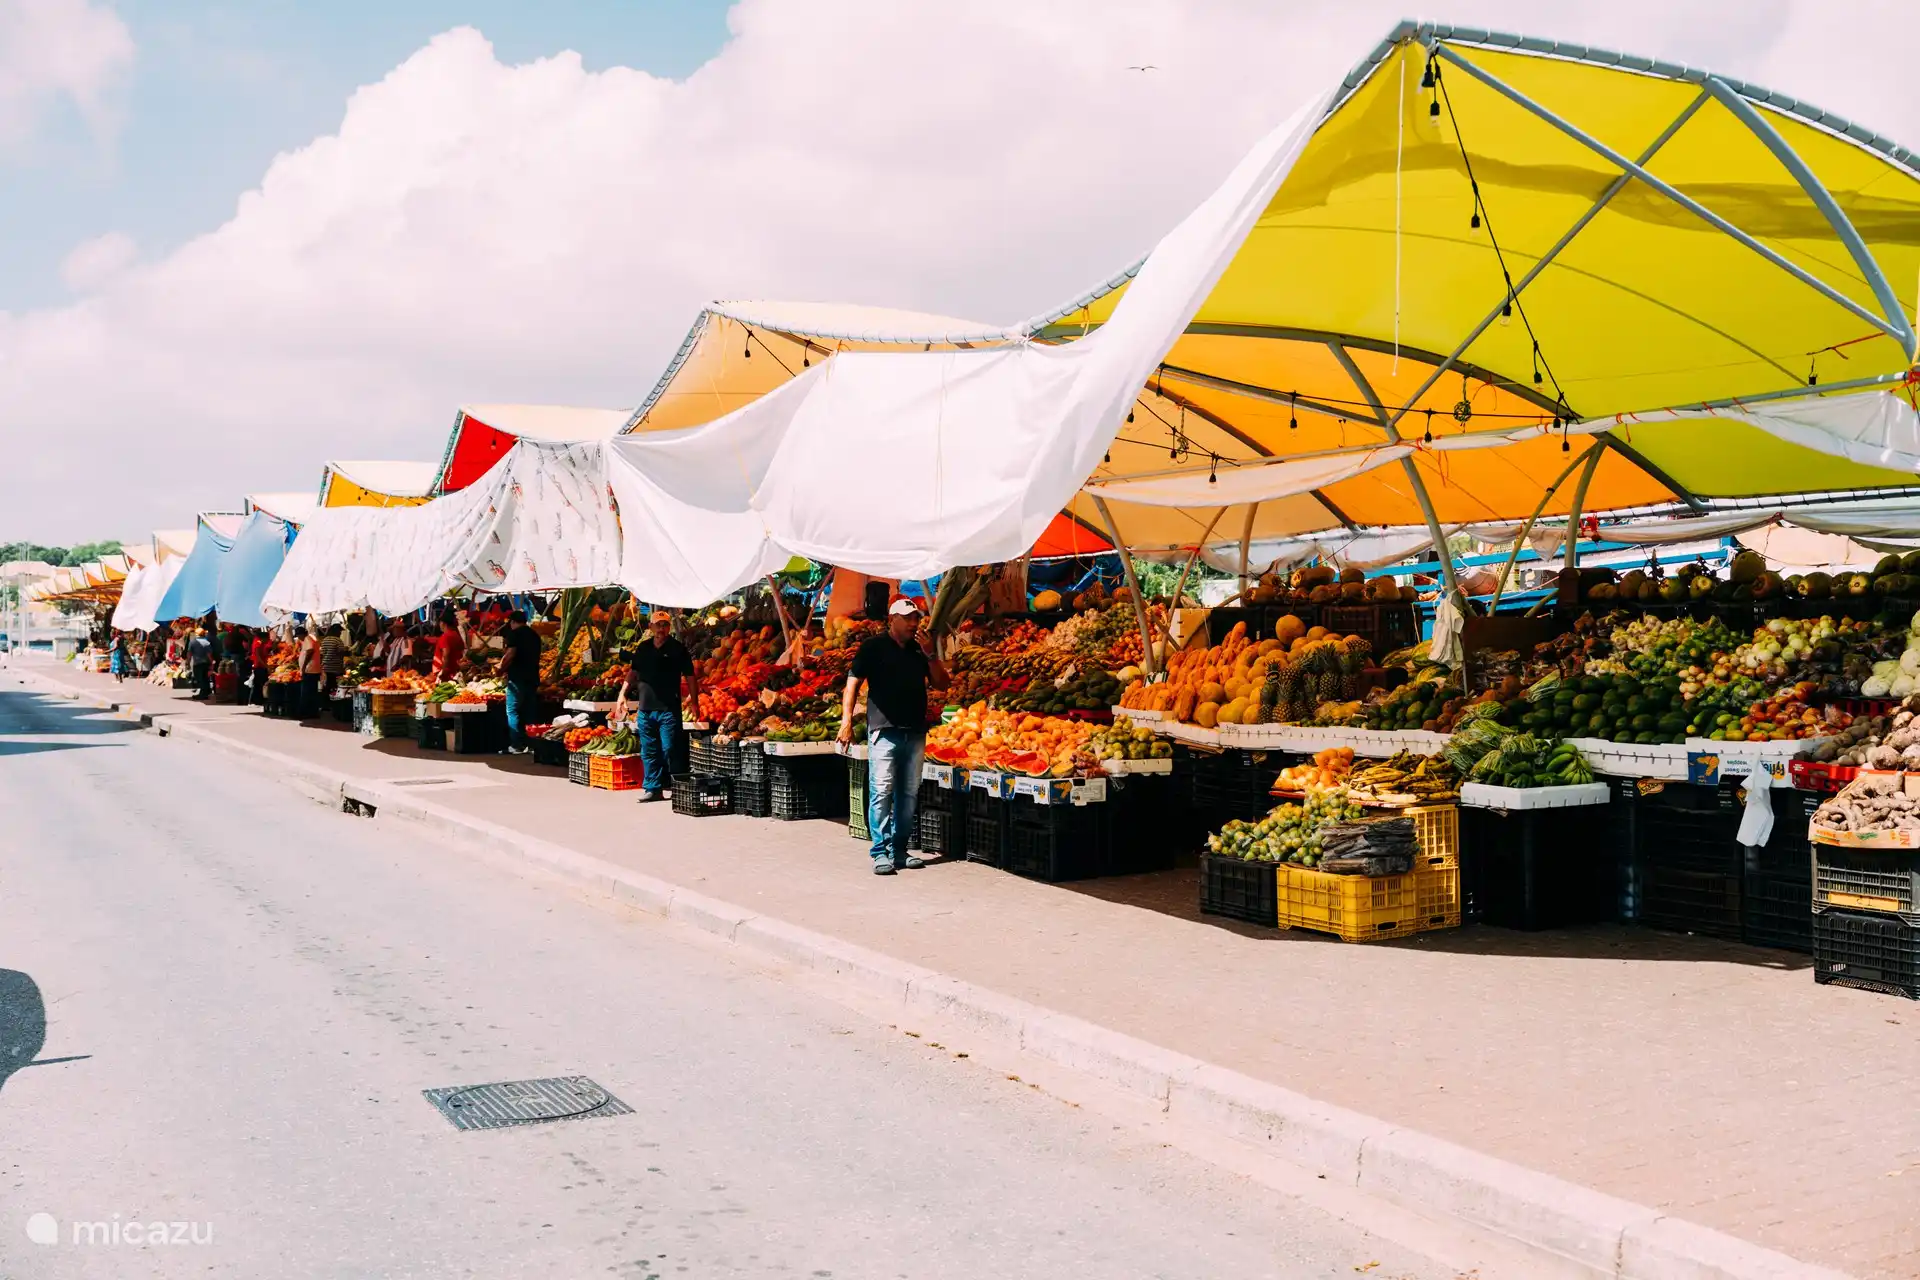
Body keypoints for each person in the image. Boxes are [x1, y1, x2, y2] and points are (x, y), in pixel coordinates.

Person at [839, 597, 949, 874]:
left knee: (909, 794)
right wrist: (846, 722)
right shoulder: (873, 647)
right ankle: (880, 851)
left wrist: (930, 654)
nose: (914, 624)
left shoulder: (918, 650)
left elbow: (942, 684)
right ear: (892, 620)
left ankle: (899, 849)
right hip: (884, 731)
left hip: (914, 732)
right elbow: (852, 683)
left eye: (916, 618)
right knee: (881, 793)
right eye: (908, 618)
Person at [613, 610, 699, 802]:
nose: (661, 628)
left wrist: (694, 702)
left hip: (668, 709)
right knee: (649, 750)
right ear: (650, 627)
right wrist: (622, 694)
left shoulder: (678, 649)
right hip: (645, 709)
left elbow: (691, 677)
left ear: (669, 628)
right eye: (658, 624)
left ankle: (673, 785)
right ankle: (653, 788)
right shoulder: (643, 648)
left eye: (665, 625)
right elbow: (633, 673)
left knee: (669, 748)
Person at [494, 610, 542, 753]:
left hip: (517, 678)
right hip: (533, 677)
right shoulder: (535, 635)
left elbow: (510, 654)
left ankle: (516, 745)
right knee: (529, 710)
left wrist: (500, 668)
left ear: (512, 622)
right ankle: (533, 744)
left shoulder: (514, 634)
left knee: (512, 710)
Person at [298, 624, 323, 718]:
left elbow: (310, 651)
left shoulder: (308, 639)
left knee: (306, 692)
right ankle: (313, 712)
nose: (299, 638)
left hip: (309, 669)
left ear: (302, 634)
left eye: (298, 636)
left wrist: (304, 666)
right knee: (312, 692)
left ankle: (304, 713)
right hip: (314, 669)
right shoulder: (312, 638)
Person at [431, 615, 465, 682]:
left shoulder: (445, 637)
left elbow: (446, 655)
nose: (439, 625)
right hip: (454, 672)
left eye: (440, 623)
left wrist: (443, 672)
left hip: (445, 675)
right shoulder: (456, 635)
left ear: (443, 623)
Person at [319, 623, 346, 698]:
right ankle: (334, 702)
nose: (340, 633)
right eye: (340, 631)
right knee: (335, 686)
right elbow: (341, 652)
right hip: (335, 667)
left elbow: (322, 653)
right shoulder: (338, 640)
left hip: (325, 667)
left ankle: (325, 703)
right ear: (336, 631)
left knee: (326, 685)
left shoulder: (325, 640)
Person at [187, 627, 214, 699]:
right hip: (206, 663)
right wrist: (212, 664)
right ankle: (205, 693)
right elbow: (209, 655)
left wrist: (188, 662)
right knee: (205, 679)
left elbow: (189, 654)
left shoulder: (192, 642)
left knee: (200, 679)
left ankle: (203, 694)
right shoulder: (207, 642)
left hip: (197, 664)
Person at [249, 629, 274, 705]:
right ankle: (257, 700)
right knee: (259, 684)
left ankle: (259, 700)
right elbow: (259, 658)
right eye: (268, 638)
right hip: (259, 667)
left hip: (261, 666)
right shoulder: (258, 644)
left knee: (260, 684)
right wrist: (266, 666)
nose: (268, 640)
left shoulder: (261, 644)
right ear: (263, 638)